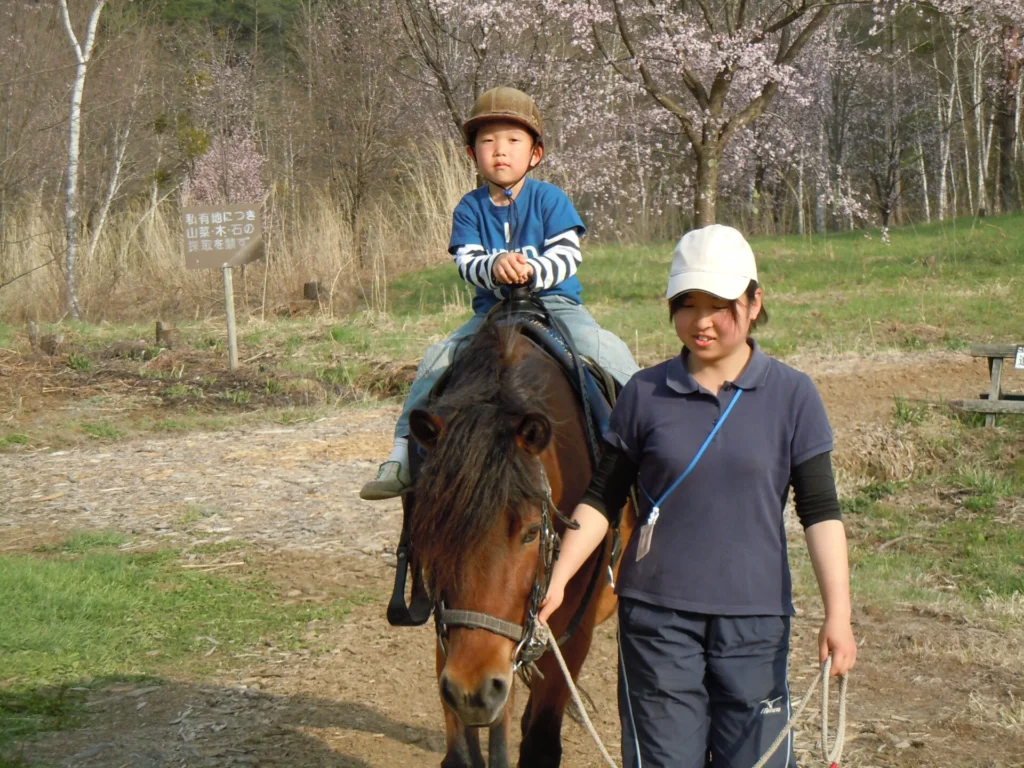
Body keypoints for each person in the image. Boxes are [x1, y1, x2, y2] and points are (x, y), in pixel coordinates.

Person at [538, 224, 857, 767]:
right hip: (657, 624)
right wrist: (560, 578)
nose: (702, 321)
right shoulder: (644, 392)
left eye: (720, 304)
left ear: (755, 302)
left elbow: (820, 514)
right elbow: (601, 499)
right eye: (687, 304)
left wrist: (839, 615)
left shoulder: (793, 395)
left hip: (755, 623)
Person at [360, 87, 640, 500]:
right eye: (487, 141)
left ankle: (644, 442)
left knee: (604, 349)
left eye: (513, 140)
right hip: (493, 312)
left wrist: (533, 270)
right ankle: (402, 452)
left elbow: (567, 253)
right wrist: (493, 267)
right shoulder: (469, 208)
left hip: (555, 305)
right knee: (437, 358)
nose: (500, 151)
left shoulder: (550, 199)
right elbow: (466, 260)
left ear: (535, 153)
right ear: (473, 155)